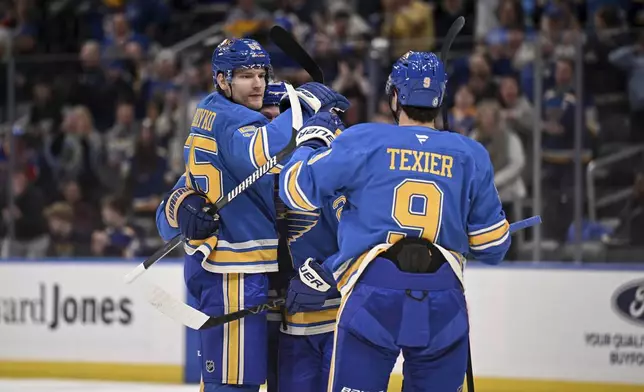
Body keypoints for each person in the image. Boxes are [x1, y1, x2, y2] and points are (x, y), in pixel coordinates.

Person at [278, 51, 511, 391]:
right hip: (443, 299)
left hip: (375, 294)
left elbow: (294, 190)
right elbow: (493, 246)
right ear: (440, 98)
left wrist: (312, 141)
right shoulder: (470, 154)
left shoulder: (364, 139)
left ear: (395, 96)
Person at [155, 37, 348, 392]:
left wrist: (328, 274)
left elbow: (361, 236)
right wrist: (180, 206)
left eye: (261, 75)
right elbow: (166, 215)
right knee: (231, 382)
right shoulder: (242, 142)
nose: (258, 85)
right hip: (246, 283)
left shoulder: (317, 163)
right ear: (222, 80)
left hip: (305, 311)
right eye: (246, 76)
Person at [278, 111, 345, 392]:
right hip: (294, 324)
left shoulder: (341, 183)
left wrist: (325, 275)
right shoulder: (276, 169)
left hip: (338, 323)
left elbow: (366, 248)